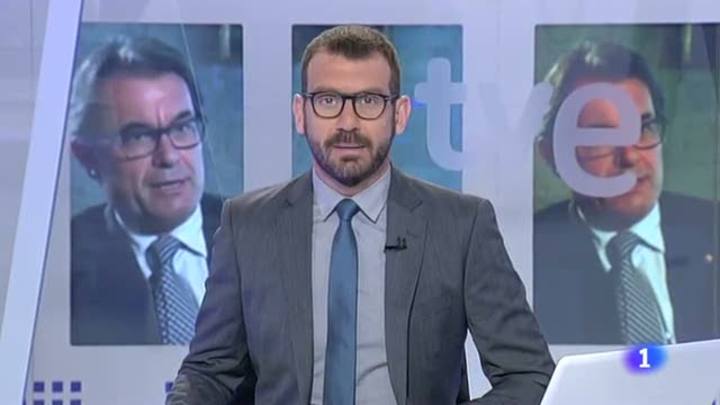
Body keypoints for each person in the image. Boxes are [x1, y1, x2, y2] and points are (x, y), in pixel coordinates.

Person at [168, 25, 554, 404]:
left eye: (369, 101)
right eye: (328, 100)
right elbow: (209, 372)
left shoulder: (461, 226)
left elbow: (528, 375)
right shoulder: (247, 226)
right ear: (301, 113)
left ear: (400, 114)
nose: (348, 123)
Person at [534, 41, 718, 345]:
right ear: (553, 154)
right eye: (602, 136)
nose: (631, 156)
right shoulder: (527, 257)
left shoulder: (711, 229)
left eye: (644, 127)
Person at [69, 36, 222, 345]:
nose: (169, 156)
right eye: (138, 136)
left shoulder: (265, 235)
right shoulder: (65, 264)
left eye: (182, 127)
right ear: (87, 156)